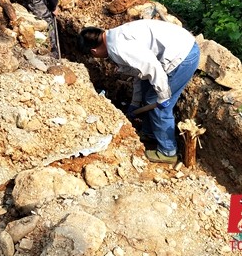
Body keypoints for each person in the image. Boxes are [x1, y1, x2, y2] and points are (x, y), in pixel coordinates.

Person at [78, 19, 200, 164]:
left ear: (94, 51)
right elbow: (139, 74)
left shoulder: (119, 48)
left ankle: (168, 152)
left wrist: (163, 95)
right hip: (180, 46)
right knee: (150, 96)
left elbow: (152, 67)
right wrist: (135, 103)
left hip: (182, 56)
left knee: (159, 104)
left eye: (93, 55)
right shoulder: (113, 37)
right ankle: (150, 133)